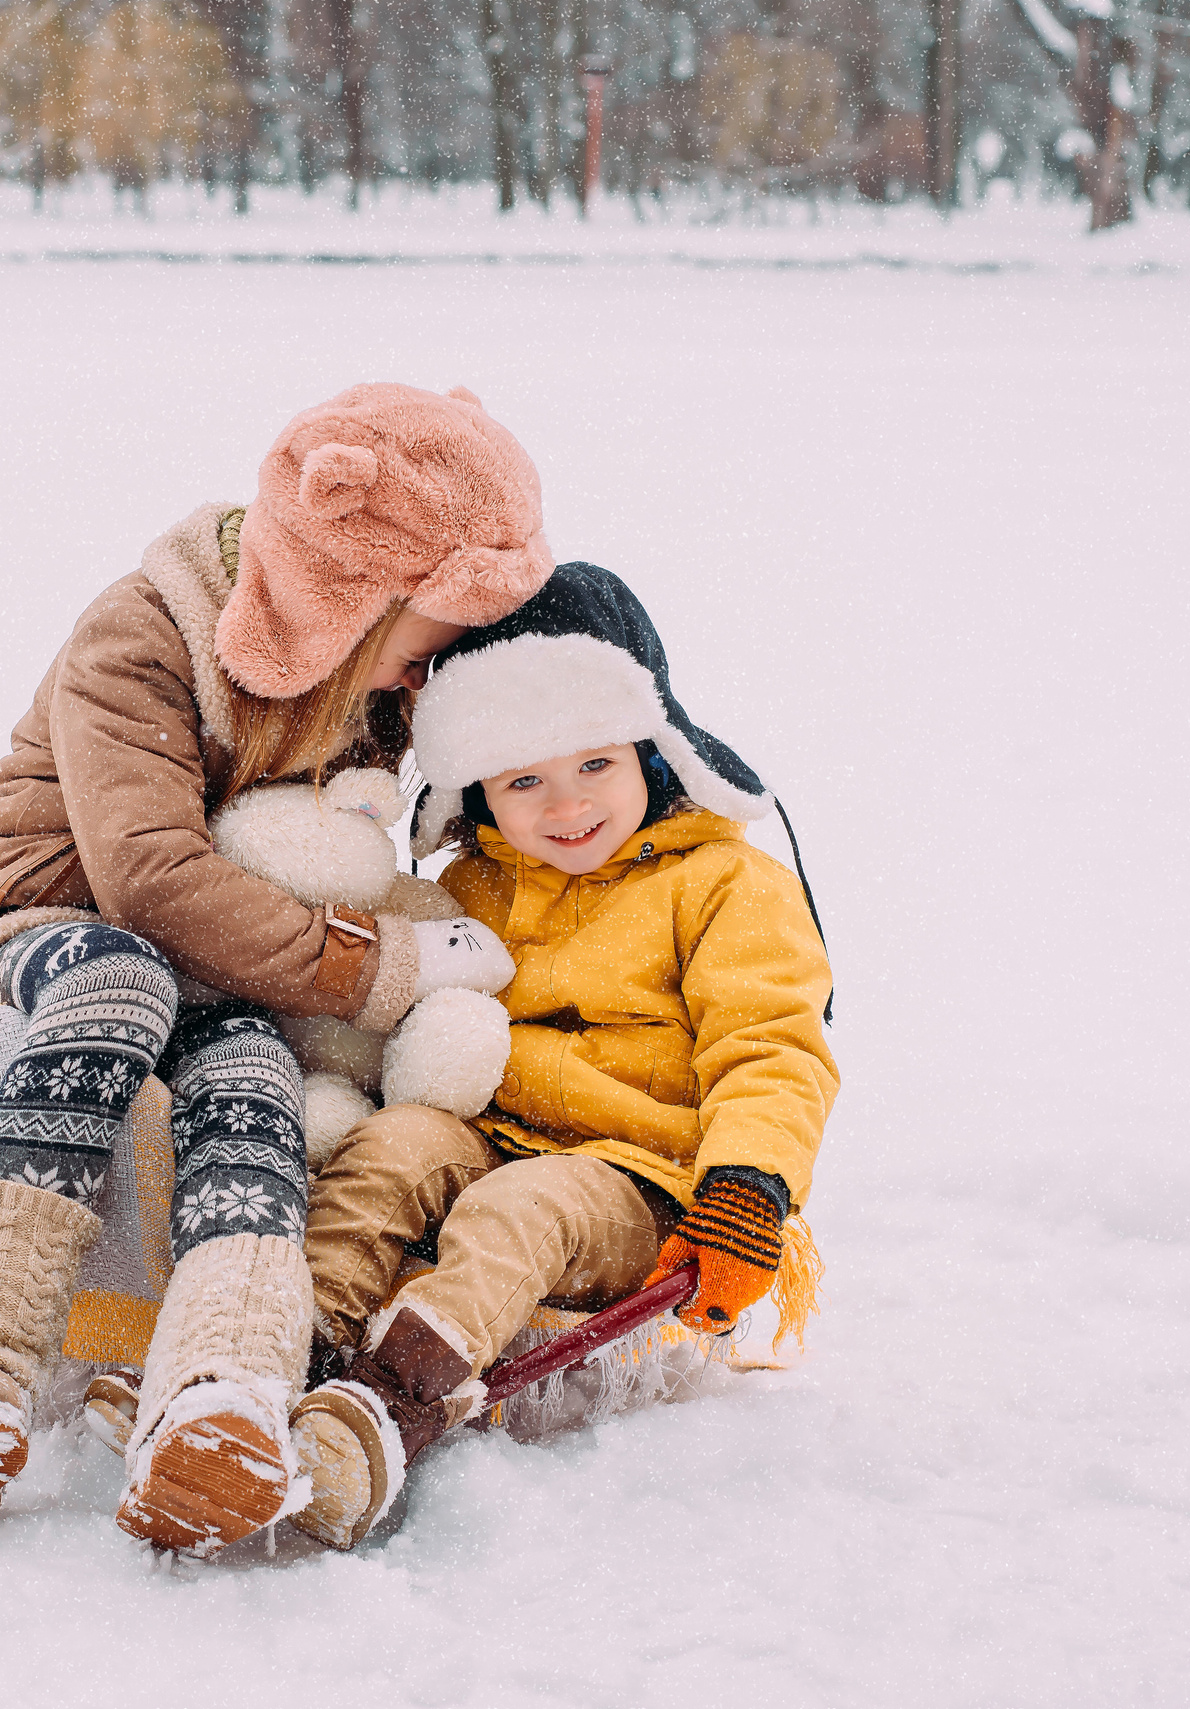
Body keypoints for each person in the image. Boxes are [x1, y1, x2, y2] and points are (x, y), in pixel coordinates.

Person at [0, 382, 554, 1557]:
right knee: (125, 978)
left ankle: (223, 1392)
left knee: (252, 1082)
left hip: (227, 984)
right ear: (347, 589)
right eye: (426, 639)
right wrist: (372, 969)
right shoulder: (144, 634)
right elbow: (149, 877)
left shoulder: (367, 685)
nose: (427, 674)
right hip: (49, 922)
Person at [288, 561, 838, 1550]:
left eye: (594, 763)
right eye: (524, 779)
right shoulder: (476, 880)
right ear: (482, 792)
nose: (565, 803)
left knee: (516, 1210)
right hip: (491, 1132)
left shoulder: (724, 884)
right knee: (396, 1144)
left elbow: (772, 1049)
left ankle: (384, 1404)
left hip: (638, 1178)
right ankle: (280, 1355)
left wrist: (748, 1190)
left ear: (651, 749)